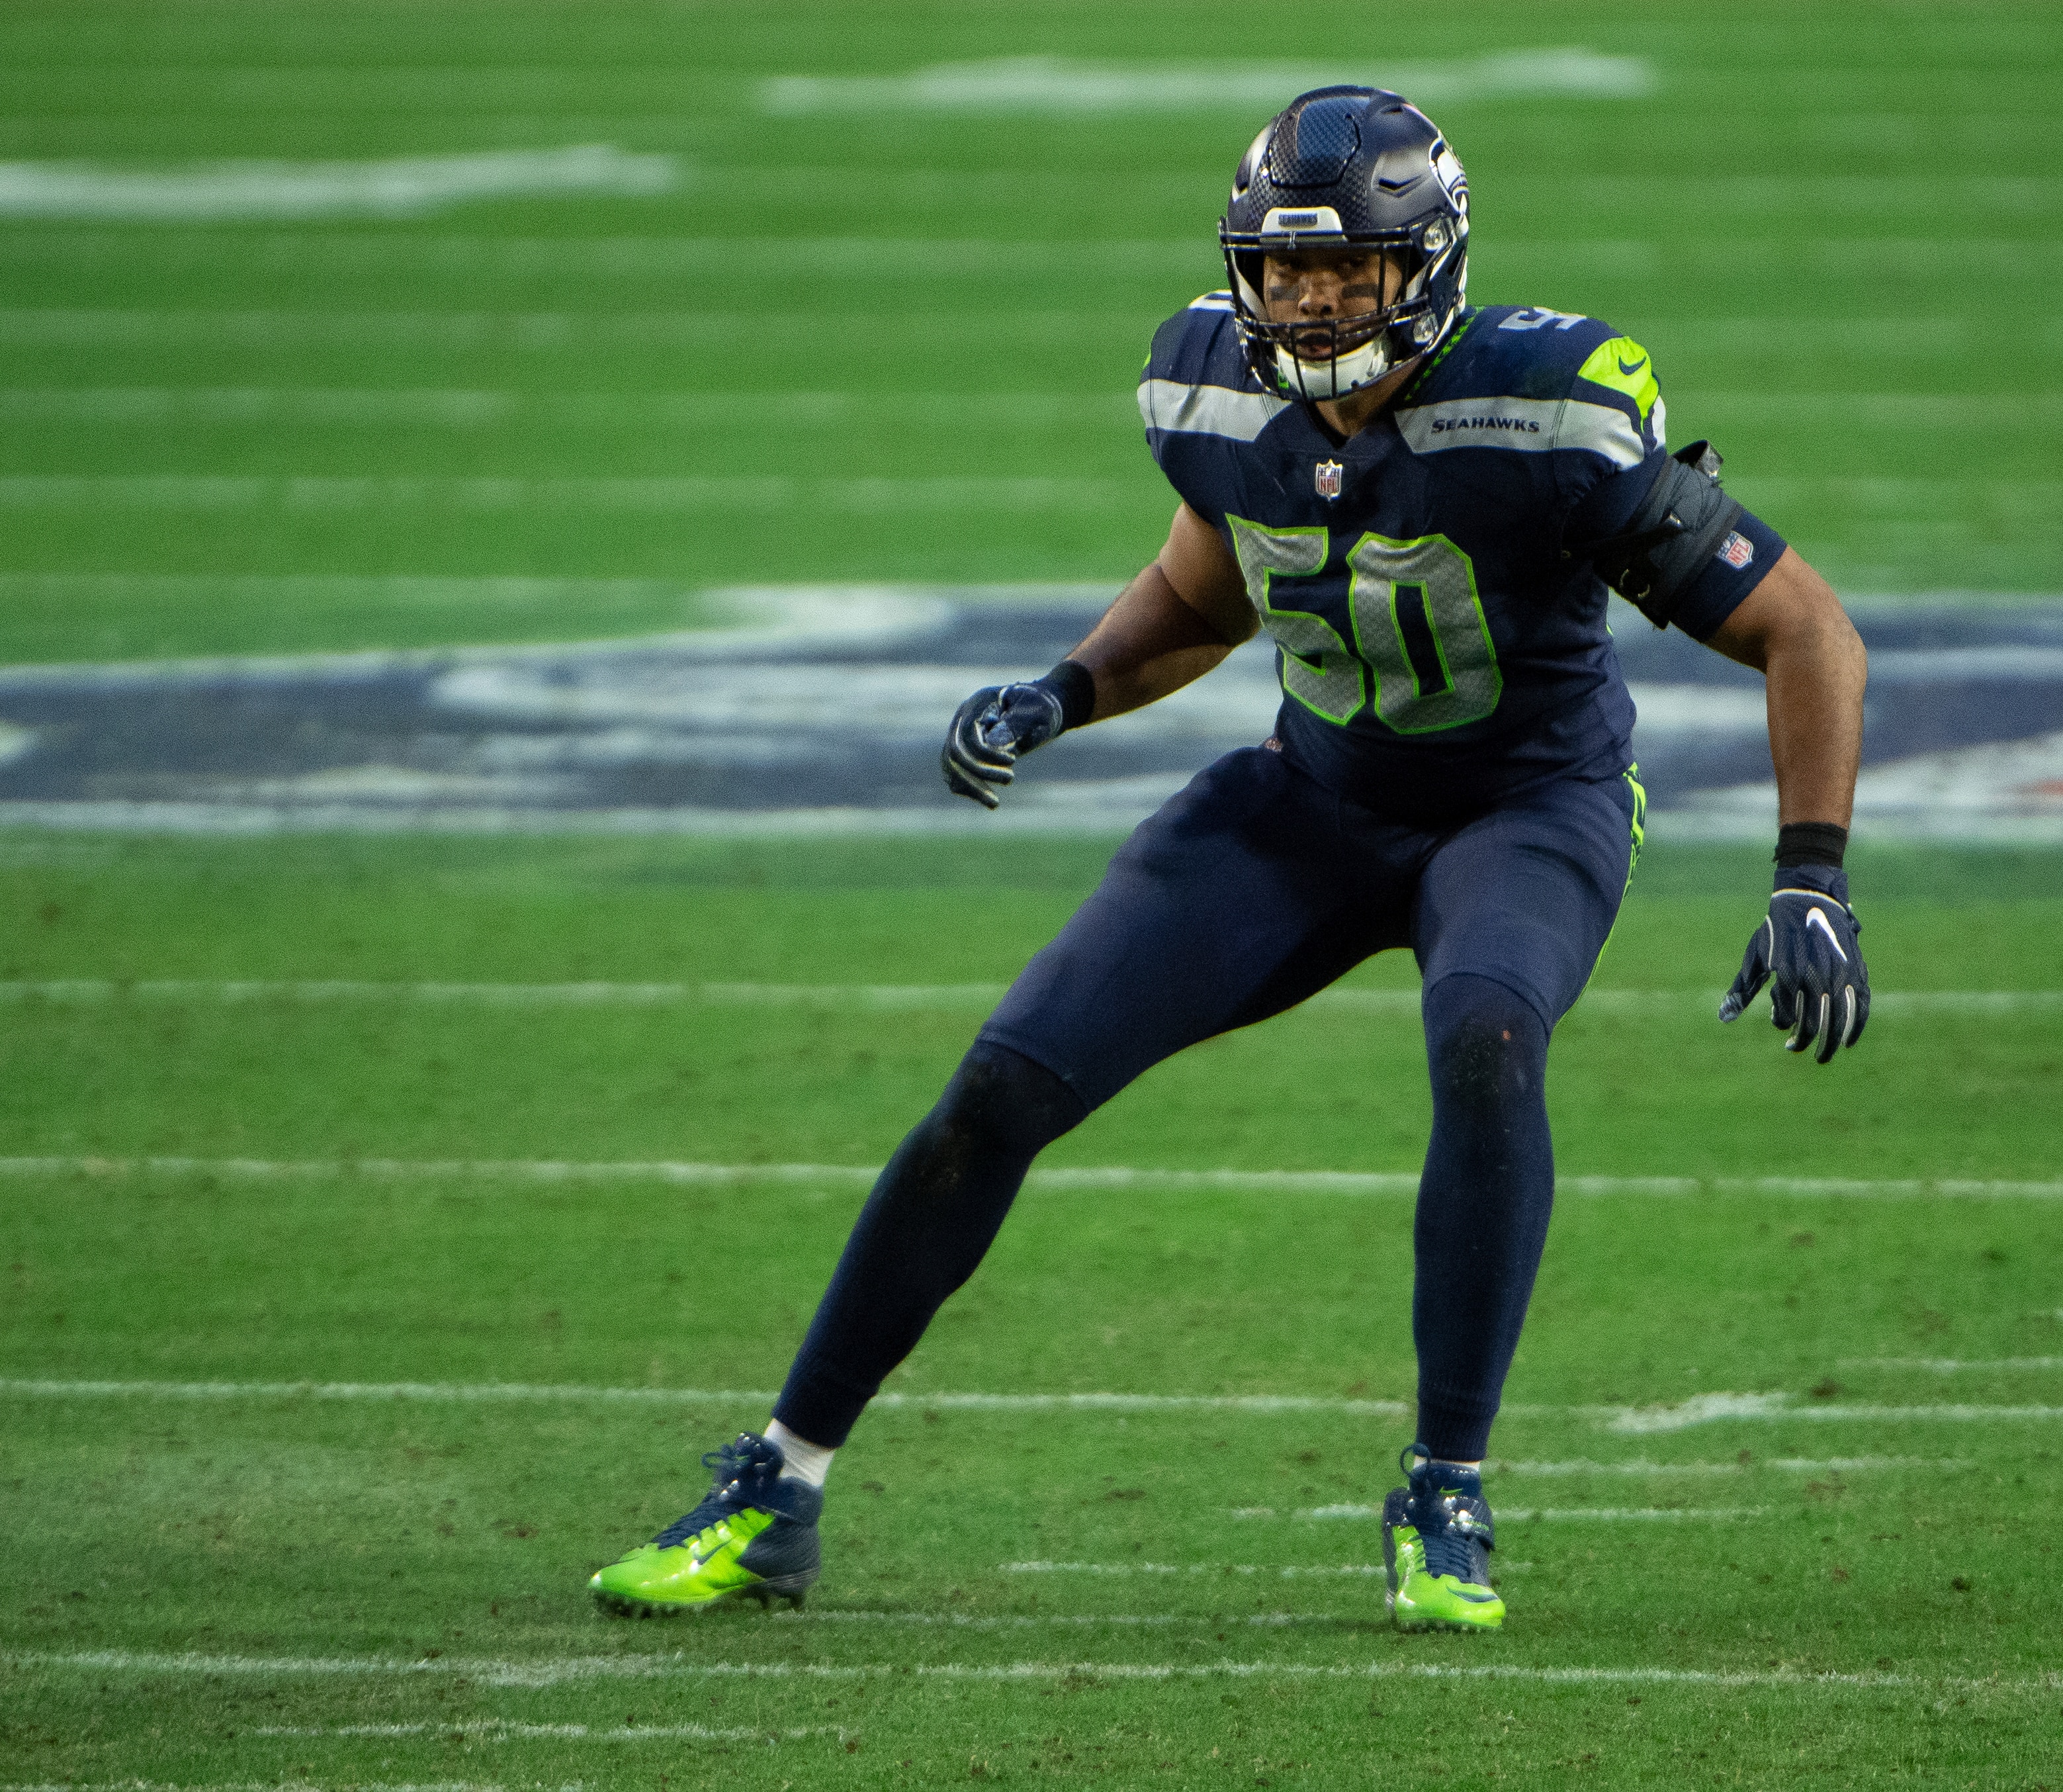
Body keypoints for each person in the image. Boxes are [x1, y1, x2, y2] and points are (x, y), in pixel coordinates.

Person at [587, 84, 1868, 1633]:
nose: (1312, 299)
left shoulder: (1549, 408)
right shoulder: (1211, 385)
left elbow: (1802, 625)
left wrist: (1811, 871)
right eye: (1285, 269)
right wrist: (1066, 689)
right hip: (1306, 800)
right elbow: (1207, 589)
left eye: (1350, 270)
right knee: (1002, 1082)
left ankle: (1444, 1484)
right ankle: (778, 1480)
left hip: (1525, 808)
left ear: (1431, 265)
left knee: (1487, 1039)